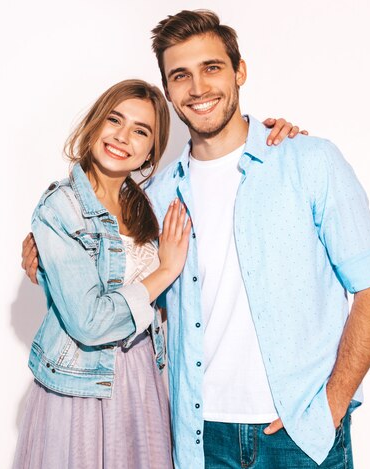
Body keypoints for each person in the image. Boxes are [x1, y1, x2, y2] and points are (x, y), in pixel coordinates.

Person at [23, 9, 370, 469]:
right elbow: (114, 272)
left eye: (212, 68)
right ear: (169, 91)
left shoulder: (309, 161)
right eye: (181, 75)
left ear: (240, 71)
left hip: (299, 433)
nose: (198, 88)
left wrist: (332, 404)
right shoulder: (154, 199)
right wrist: (45, 252)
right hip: (198, 437)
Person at [15, 78, 302, 469]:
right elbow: (89, 321)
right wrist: (165, 270)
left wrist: (277, 137)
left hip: (145, 382)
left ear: (152, 149)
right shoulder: (60, 209)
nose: (122, 137)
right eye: (114, 120)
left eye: (140, 131)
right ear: (95, 123)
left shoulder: (148, 206)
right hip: (83, 390)